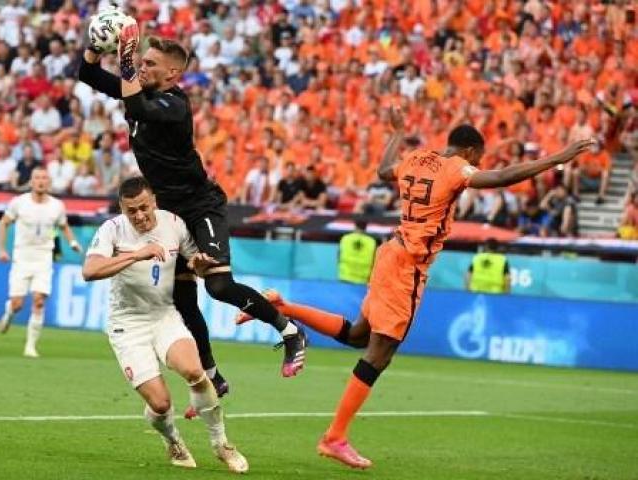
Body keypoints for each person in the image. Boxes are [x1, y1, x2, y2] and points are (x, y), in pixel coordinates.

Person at [237, 107, 594, 469]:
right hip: (408, 265)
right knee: (380, 354)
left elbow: (381, 171)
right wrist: (559, 158)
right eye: (478, 157)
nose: (478, 163)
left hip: (390, 252)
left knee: (361, 335)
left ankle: (284, 307)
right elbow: (500, 177)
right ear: (470, 152)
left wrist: (397, 132)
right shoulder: (458, 168)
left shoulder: (417, 158)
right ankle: (334, 437)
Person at [77, 21, 306, 387]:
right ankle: (213, 376)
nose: (142, 66)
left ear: (172, 73)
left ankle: (290, 331)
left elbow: (138, 103)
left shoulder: (175, 105)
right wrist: (95, 44)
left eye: (150, 63)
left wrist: (123, 59)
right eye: (142, 61)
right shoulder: (139, 91)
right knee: (182, 298)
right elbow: (86, 73)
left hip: (201, 207)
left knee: (218, 286)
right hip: (169, 212)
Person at [82, 177, 248, 473]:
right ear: (122, 209)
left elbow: (193, 260)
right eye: (131, 210)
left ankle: (221, 444)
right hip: (127, 325)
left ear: (154, 201)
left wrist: (197, 265)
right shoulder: (112, 229)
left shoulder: (173, 223)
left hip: (164, 316)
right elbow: (90, 270)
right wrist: (135, 254)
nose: (140, 216)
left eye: (144, 207)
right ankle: (173, 440)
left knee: (195, 372)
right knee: (160, 404)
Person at [0, 168, 82, 357]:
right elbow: (3, 223)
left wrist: (73, 243)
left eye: (44, 178)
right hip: (22, 257)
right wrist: (1, 250)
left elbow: (63, 226)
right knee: (18, 304)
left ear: (49, 182)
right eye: (37, 178)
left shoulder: (57, 205)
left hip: (44, 258)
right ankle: (10, 312)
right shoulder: (19, 203)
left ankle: (30, 347)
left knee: (39, 301)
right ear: (31, 182)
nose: (41, 181)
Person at [338, 220, 377, 285]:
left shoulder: (345, 238)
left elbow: (339, 255)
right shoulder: (372, 241)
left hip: (345, 275)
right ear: (366, 228)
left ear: (355, 226)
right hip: (363, 278)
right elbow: (374, 260)